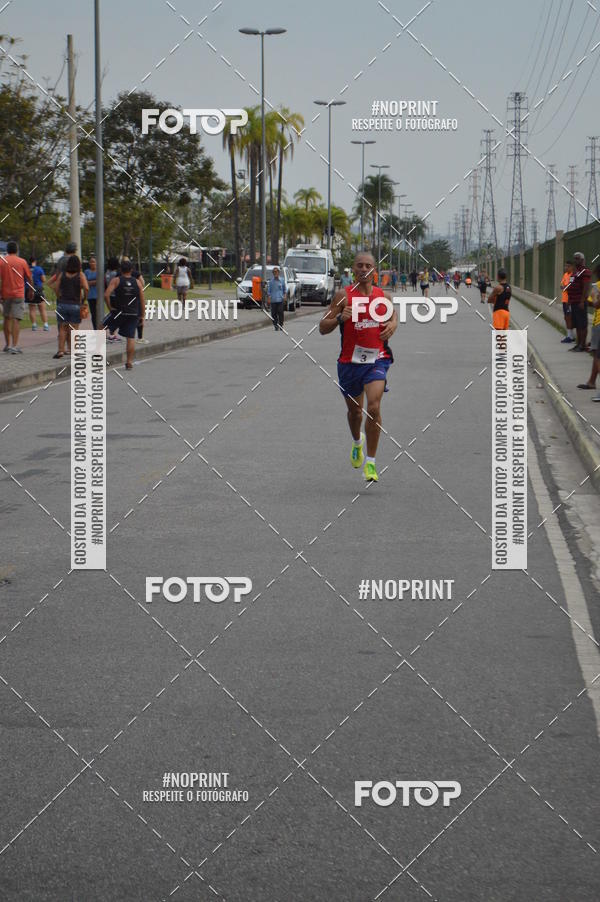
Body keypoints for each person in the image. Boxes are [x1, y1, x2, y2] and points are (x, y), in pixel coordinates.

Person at [319, 251, 397, 483]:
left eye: (368, 266)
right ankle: (357, 442)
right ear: (354, 270)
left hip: (377, 360)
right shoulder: (344, 296)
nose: (364, 269)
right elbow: (323, 327)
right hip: (349, 363)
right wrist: (340, 319)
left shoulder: (384, 296)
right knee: (355, 412)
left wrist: (393, 325)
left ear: (375, 270)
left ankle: (371, 464)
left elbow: (393, 318)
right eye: (360, 266)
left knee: (373, 407)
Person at [104, 258, 145, 369]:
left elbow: (106, 295)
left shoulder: (116, 280)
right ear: (131, 270)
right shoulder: (137, 282)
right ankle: (129, 362)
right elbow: (142, 299)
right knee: (130, 337)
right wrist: (142, 315)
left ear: (120, 269)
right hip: (133, 313)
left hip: (118, 312)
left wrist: (110, 307)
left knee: (101, 327)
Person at [53, 255, 89, 358]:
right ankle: (74, 351)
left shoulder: (62, 274)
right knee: (74, 329)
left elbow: (56, 287)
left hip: (62, 304)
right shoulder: (80, 275)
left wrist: (59, 296)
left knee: (62, 328)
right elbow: (86, 288)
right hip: (75, 305)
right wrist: (84, 299)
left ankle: (60, 351)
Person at [0, 241, 32, 354]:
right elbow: (28, 277)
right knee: (16, 319)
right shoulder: (22, 261)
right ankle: (15, 346)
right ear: (17, 250)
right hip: (18, 294)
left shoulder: (2, 261)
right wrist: (31, 291)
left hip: (5, 294)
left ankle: (7, 345)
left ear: (7, 250)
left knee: (6, 318)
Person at [578, 265, 600, 394]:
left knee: (597, 355)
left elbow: (596, 305)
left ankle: (592, 382)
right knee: (596, 355)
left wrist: (588, 301)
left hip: (599, 324)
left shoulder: (597, 286)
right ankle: (591, 381)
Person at [566, 251, 592, 352]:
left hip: (580, 302)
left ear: (582, 260)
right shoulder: (574, 272)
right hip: (573, 301)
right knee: (576, 324)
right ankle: (578, 344)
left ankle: (582, 345)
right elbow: (571, 285)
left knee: (582, 324)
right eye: (574, 258)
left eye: (577, 258)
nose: (575, 260)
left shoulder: (585, 271)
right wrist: (569, 299)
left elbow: (586, 287)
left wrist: (582, 301)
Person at [28, 257, 49, 331]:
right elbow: (44, 279)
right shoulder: (39, 269)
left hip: (29, 289)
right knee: (42, 308)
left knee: (32, 308)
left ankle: (34, 325)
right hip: (39, 289)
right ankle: (45, 325)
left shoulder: (27, 268)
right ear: (35, 261)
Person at [104, 256, 121, 342]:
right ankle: (109, 330)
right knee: (116, 315)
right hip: (116, 296)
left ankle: (112, 333)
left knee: (114, 314)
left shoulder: (107, 273)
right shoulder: (115, 274)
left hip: (110, 295)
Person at [560, 261, 575, 343]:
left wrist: (565, 286)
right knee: (566, 317)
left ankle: (570, 337)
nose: (566, 268)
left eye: (568, 266)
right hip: (564, 300)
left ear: (572, 267)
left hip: (569, 300)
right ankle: (569, 335)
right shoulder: (565, 275)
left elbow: (570, 286)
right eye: (565, 266)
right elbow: (561, 285)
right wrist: (565, 286)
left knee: (569, 318)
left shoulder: (573, 275)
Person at [267, 266, 285, 331]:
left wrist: (284, 296)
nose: (275, 273)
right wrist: (269, 298)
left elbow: (284, 289)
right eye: (274, 272)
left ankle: (281, 325)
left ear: (278, 273)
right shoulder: (271, 282)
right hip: (273, 300)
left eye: (276, 272)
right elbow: (269, 291)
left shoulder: (282, 280)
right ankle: (275, 325)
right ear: (273, 273)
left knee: (280, 312)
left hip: (280, 299)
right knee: (273, 314)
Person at [84, 256, 99, 329]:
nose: (92, 263)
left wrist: (89, 282)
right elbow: (85, 283)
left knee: (99, 314)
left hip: (98, 296)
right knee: (93, 314)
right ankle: (95, 329)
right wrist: (94, 282)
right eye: (91, 262)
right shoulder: (87, 271)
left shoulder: (99, 271)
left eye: (94, 262)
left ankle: (101, 329)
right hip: (90, 296)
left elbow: (100, 281)